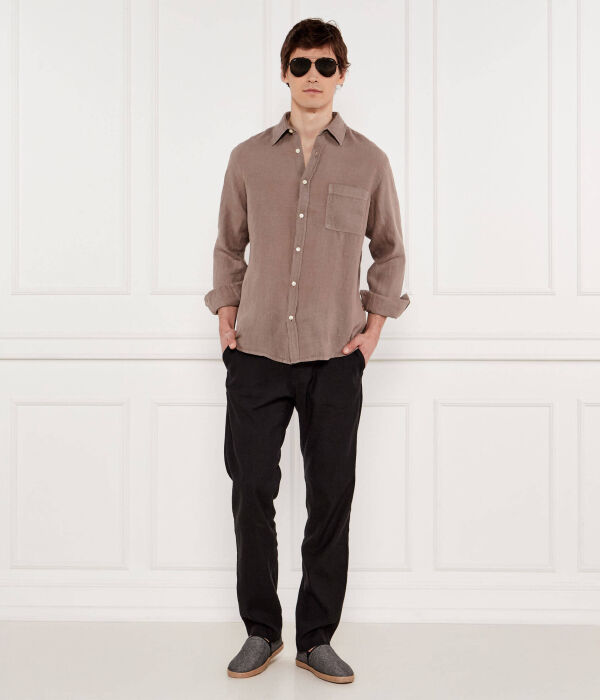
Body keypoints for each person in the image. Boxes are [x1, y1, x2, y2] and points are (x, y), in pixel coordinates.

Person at [204, 17, 410, 684]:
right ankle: (261, 631)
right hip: (257, 352)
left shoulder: (369, 161)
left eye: (325, 65)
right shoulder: (247, 158)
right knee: (251, 492)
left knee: (331, 498)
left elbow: (390, 251)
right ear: (284, 73)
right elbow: (228, 244)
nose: (313, 76)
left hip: (334, 356)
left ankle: (315, 638)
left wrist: (373, 331)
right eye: (301, 64)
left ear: (342, 74)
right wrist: (226, 314)